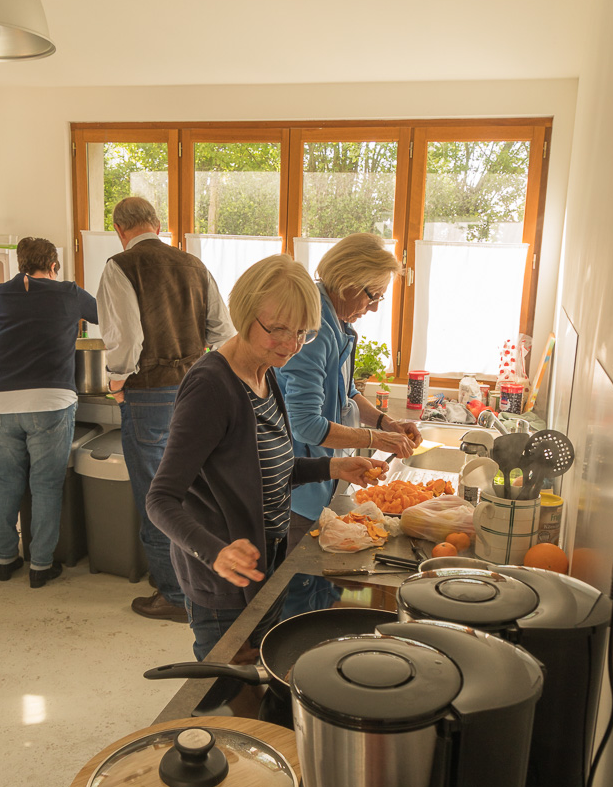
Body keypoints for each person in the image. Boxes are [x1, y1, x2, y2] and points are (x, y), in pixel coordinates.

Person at [145, 254, 387, 660]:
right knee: (230, 692)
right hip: (224, 582)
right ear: (243, 314)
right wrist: (216, 552)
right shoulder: (211, 387)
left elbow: (267, 470)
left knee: (264, 670)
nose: (291, 346)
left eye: (301, 333)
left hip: (266, 564)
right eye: (277, 330)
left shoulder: (266, 372)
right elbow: (161, 499)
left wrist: (333, 465)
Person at [96, 196, 234, 623]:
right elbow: (223, 332)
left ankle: (173, 594)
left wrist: (116, 383)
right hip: (197, 391)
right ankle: (202, 582)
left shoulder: (120, 266)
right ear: (158, 224)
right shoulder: (195, 266)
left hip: (151, 392)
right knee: (195, 490)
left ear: (120, 230)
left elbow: (127, 341)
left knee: (158, 495)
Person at [275, 232, 422, 549]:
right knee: (297, 582)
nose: (373, 309)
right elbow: (305, 424)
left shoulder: (337, 324)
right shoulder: (312, 331)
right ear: (348, 283)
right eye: (374, 296)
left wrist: (386, 423)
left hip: (321, 479)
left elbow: (347, 393)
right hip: (295, 487)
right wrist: (378, 439)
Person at [0, 237, 98, 588]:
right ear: (54, 263)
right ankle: (41, 567)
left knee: (5, 483)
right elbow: (109, 316)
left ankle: (5, 561)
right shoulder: (69, 292)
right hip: (49, 399)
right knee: (45, 485)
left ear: (20, 263)